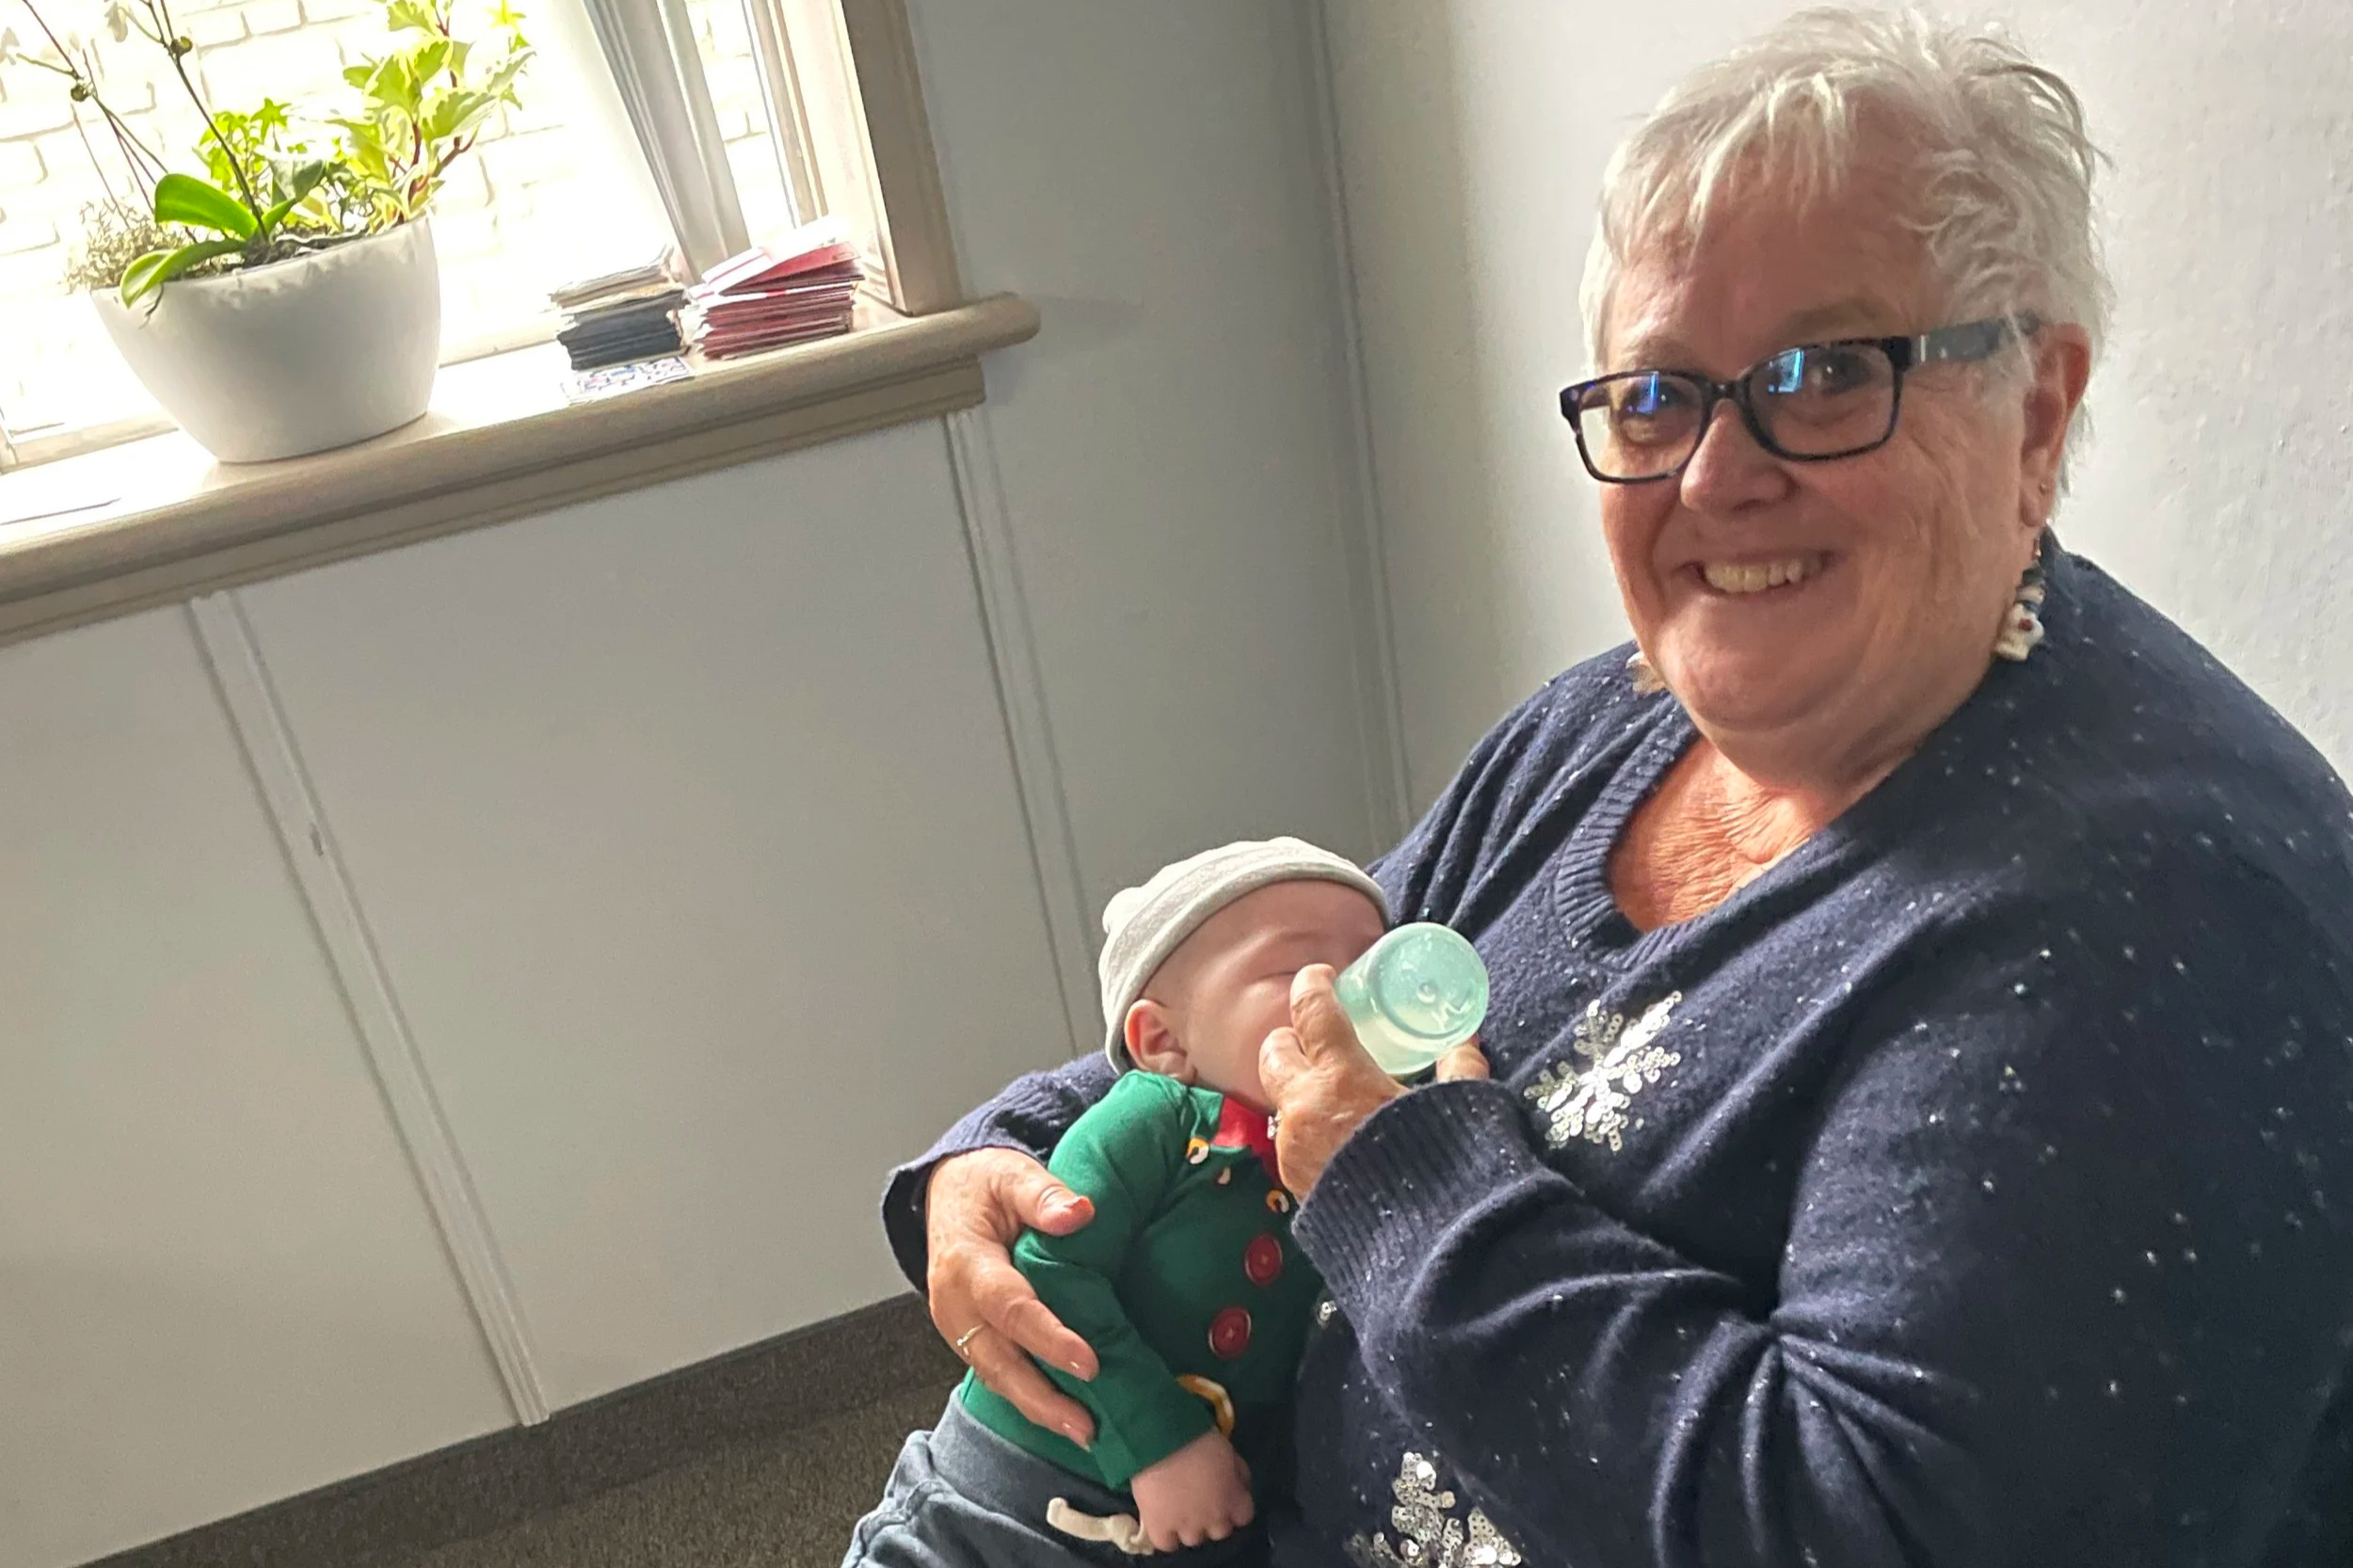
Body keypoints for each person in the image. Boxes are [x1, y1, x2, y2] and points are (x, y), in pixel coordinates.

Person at [886, 11, 2353, 1565]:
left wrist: (1405, 1191)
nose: (1718, 475)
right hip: (1173, 1481)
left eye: (1826, 372)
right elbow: (1292, 987)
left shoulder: (2145, 926)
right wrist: (1014, 1145)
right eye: (1658, 397)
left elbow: (1850, 1529)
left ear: (2036, 411)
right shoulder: (1624, 715)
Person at [847, 839, 1477, 1564]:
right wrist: (1161, 1440)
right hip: (1004, 1500)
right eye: (1296, 970)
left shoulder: (1341, 1152)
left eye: (1371, 960)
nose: (1347, 995)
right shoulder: (1157, 1120)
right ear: (1164, 1039)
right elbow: (1048, 1274)